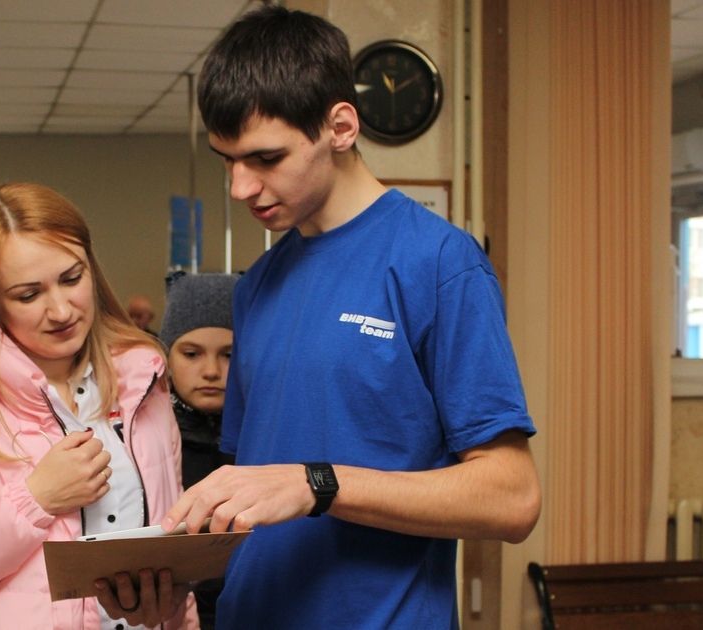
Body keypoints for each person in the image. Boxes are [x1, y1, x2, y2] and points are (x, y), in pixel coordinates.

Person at [160, 7, 542, 629]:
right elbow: (248, 499)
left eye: (265, 158)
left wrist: (319, 484)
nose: (239, 188)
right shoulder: (257, 286)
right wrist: (162, 586)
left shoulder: (438, 263)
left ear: (340, 127)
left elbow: (513, 497)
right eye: (227, 159)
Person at [0, 182, 198, 629]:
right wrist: (34, 499)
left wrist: (170, 606)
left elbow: (171, 545)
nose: (62, 311)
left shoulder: (144, 378)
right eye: (28, 295)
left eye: (72, 279)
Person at [157, 271, 238, 629]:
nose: (210, 371)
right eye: (191, 354)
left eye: (229, 354)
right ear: (167, 357)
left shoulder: (269, 440)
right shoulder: (145, 442)